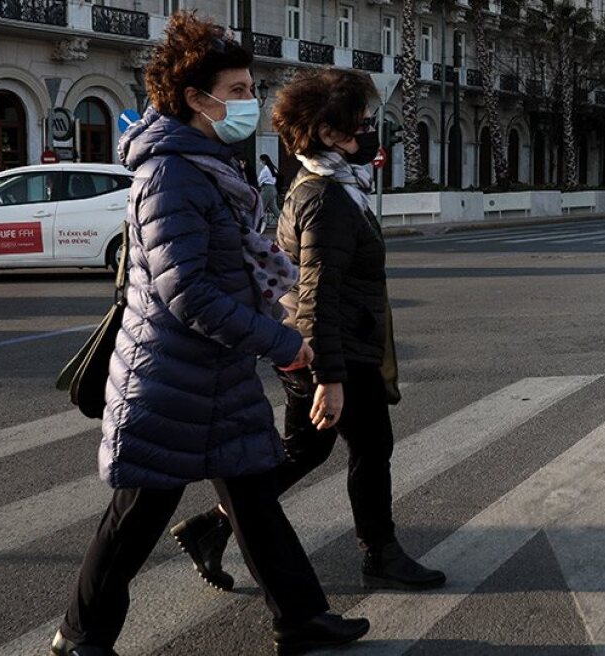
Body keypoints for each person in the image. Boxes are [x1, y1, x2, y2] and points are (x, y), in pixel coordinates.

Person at [50, 13, 368, 656]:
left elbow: (234, 262)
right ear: (197, 99)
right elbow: (186, 291)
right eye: (241, 91)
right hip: (170, 376)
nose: (253, 102)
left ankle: (302, 618)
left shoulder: (206, 163)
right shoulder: (171, 174)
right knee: (137, 514)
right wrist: (282, 341)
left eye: (251, 88)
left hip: (212, 372)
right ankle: (81, 637)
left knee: (253, 497)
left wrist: (276, 310)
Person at [171, 67, 446, 596]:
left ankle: (213, 526)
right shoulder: (325, 199)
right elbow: (318, 291)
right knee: (372, 448)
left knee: (304, 451)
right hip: (333, 348)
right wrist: (331, 377)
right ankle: (381, 554)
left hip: (320, 344)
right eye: (358, 124)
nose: (367, 133)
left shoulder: (330, 186)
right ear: (326, 133)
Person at [259, 153, 281, 227]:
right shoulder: (273, 168)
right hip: (273, 189)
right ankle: (284, 222)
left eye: (261, 160)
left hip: (266, 189)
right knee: (274, 209)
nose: (260, 162)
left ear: (264, 161)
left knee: (260, 207)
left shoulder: (265, 169)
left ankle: (259, 225)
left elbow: (260, 179)